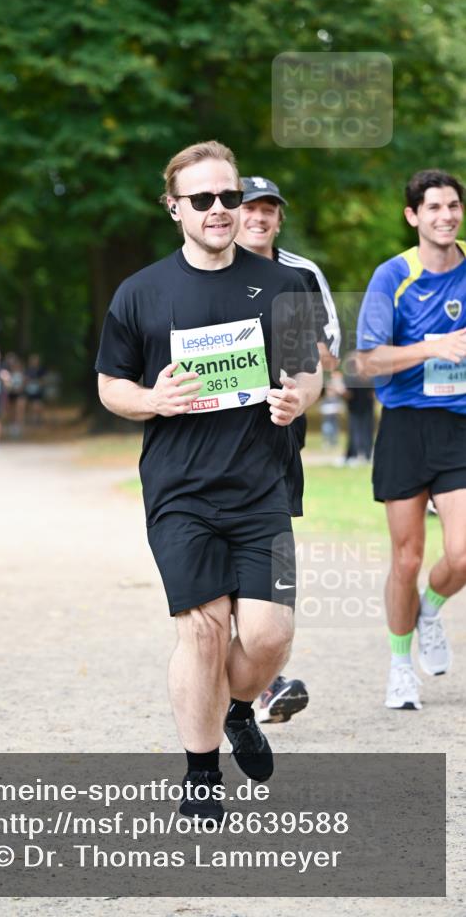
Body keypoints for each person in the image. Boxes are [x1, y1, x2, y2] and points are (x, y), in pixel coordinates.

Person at [96, 141, 321, 819]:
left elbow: (306, 369)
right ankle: (199, 774)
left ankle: (240, 708)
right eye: (203, 199)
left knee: (268, 637)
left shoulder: (284, 285)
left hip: (262, 486)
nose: (220, 209)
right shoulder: (140, 292)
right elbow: (110, 386)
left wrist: (296, 400)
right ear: (175, 208)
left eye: (229, 196)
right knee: (202, 630)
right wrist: (152, 400)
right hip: (180, 490)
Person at [356, 169, 466, 710]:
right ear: (413, 216)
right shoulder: (393, 275)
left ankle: (429, 608)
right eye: (434, 208)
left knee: (464, 551)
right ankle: (401, 667)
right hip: (403, 426)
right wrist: (432, 347)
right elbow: (368, 359)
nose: (445, 216)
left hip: (459, 425)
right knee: (405, 558)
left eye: (453, 206)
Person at [236, 175, 341, 723]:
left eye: (267, 209)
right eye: (248, 207)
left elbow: (326, 350)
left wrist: (297, 381)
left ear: (279, 218)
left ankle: (261, 673)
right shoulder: (207, 270)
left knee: (267, 557)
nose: (258, 217)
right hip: (212, 441)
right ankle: (261, 685)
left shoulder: (301, 274)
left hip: (278, 439)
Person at [342, 352, 375, 463]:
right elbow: (348, 394)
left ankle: (364, 454)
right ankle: (356, 454)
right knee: (356, 431)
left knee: (365, 430)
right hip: (355, 408)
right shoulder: (351, 377)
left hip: (366, 408)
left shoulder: (369, 377)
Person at [24, 353, 46, 425]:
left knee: (37, 404)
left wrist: (36, 382)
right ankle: (32, 419)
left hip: (38, 390)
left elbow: (43, 380)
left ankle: (38, 419)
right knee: (30, 405)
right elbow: (25, 380)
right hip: (30, 390)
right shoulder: (28, 370)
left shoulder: (41, 370)